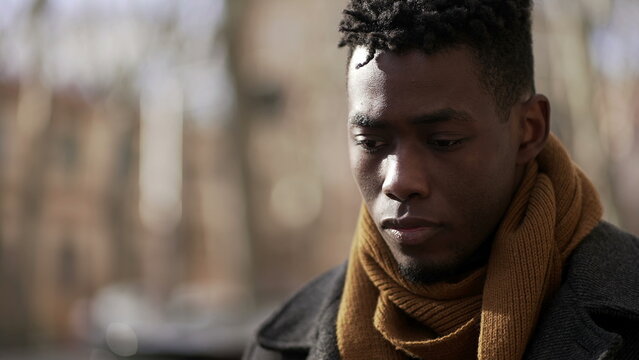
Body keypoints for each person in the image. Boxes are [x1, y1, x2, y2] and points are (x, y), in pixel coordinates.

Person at [243, 0, 639, 359]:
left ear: (529, 130)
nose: (399, 181)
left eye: (443, 141)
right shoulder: (278, 347)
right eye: (371, 142)